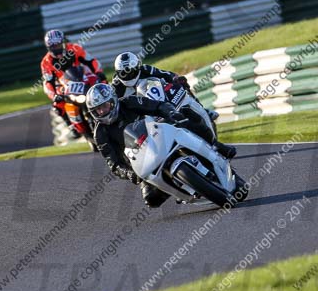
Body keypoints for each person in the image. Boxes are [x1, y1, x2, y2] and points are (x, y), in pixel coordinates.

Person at [86, 83, 235, 208]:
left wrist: (170, 112)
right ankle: (179, 190)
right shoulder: (100, 134)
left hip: (158, 134)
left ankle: (216, 146)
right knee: (152, 200)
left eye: (104, 106)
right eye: (97, 110)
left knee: (188, 117)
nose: (102, 111)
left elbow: (157, 106)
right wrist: (129, 174)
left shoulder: (128, 102)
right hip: (141, 160)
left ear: (113, 101)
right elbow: (113, 163)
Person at [40, 29, 107, 136]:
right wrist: (55, 95)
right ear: (49, 48)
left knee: (103, 83)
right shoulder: (46, 62)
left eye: (58, 45)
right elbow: (48, 82)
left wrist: (98, 73)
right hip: (62, 83)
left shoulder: (75, 48)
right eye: (53, 47)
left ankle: (111, 107)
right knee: (57, 105)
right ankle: (70, 125)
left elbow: (91, 61)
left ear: (63, 43)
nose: (56, 49)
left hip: (81, 75)